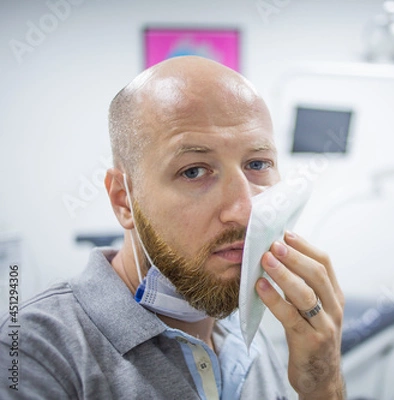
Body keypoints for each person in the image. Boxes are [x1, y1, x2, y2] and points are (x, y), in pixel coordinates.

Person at [0, 56, 345, 399]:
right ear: (124, 200)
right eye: (194, 171)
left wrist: (323, 385)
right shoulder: (33, 350)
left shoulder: (250, 333)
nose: (244, 211)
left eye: (257, 164)